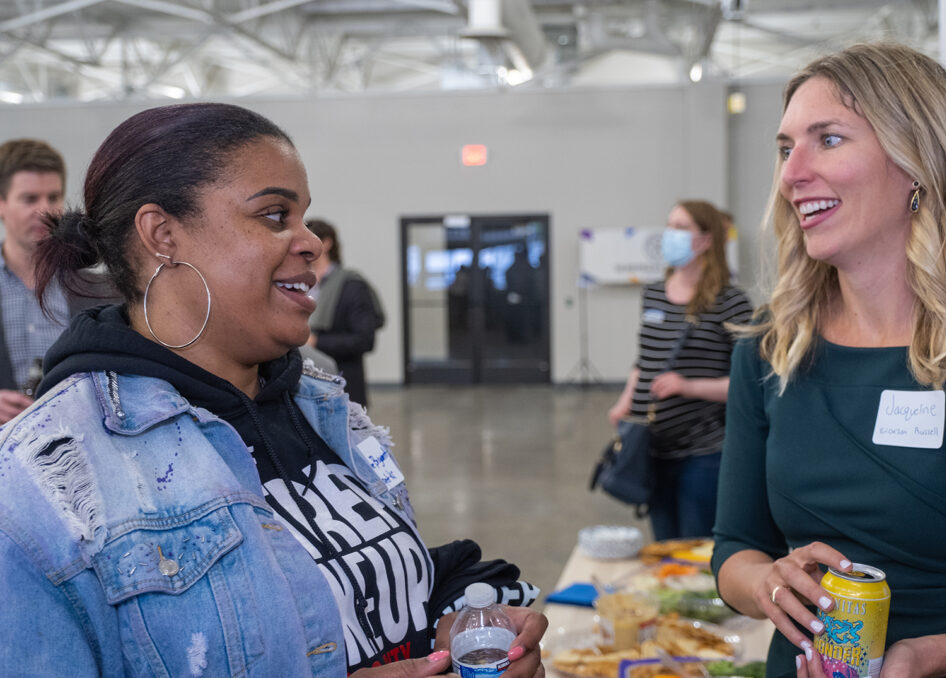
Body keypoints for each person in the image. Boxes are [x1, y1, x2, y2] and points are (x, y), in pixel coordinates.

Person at [0, 103, 545, 676]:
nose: (310, 242)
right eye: (275, 214)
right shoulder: (40, 487)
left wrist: (455, 622)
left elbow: (355, 588)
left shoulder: (324, 407)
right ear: (162, 234)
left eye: (305, 217)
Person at [712, 42, 946, 678]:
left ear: (918, 162)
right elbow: (735, 549)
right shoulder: (772, 351)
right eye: (784, 148)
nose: (791, 173)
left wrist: (926, 657)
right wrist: (770, 584)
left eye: (827, 139)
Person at [608, 200, 752, 540]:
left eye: (681, 227)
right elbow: (643, 359)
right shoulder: (654, 294)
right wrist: (625, 402)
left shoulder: (731, 301)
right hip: (653, 447)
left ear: (704, 240)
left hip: (703, 452)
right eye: (669, 225)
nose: (670, 234)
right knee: (664, 548)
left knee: (695, 547)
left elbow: (747, 384)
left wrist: (688, 386)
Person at [0, 139, 113, 422]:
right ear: (2, 204)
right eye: (29, 199)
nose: (44, 211)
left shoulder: (101, 291)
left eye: (53, 197)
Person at [306, 218, 385, 409]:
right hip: (308, 385)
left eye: (308, 241)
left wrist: (315, 341)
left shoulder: (352, 286)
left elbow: (364, 340)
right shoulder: (301, 284)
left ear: (326, 243)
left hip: (343, 383)